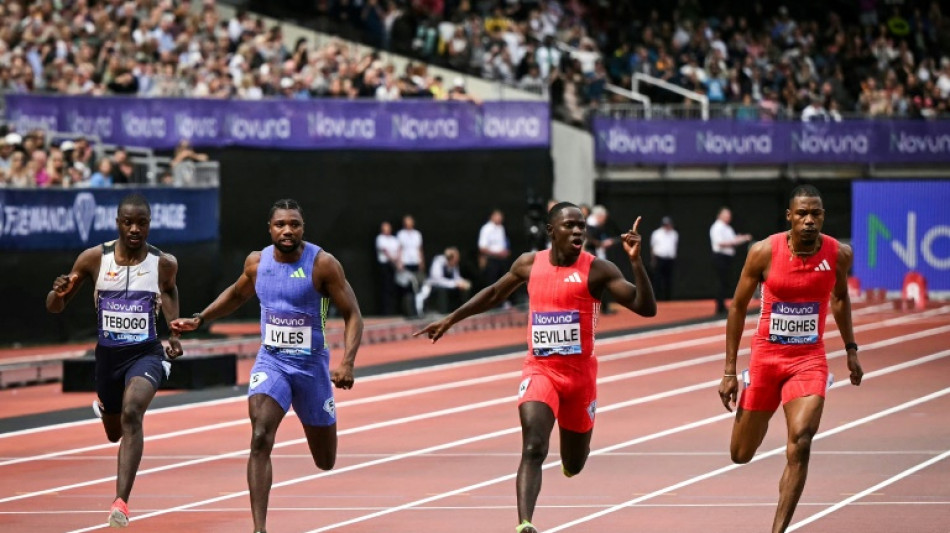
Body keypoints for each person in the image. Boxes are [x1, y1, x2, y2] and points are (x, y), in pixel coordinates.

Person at [414, 202, 656, 533]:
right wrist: (452, 318)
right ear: (550, 232)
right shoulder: (529, 264)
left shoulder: (598, 269)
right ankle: (524, 523)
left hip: (580, 378)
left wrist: (636, 262)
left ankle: (571, 463)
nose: (578, 231)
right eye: (570, 225)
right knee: (534, 446)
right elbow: (495, 292)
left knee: (574, 462)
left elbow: (646, 308)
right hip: (540, 371)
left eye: (582, 227)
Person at [170, 199, 363, 533]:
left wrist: (347, 362)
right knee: (260, 435)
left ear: (303, 228)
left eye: (294, 224)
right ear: (270, 228)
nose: (287, 230)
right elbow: (236, 293)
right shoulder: (257, 263)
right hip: (271, 362)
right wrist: (200, 319)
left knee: (325, 461)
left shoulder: (323, 264)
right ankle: (260, 529)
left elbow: (353, 314)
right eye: (280, 224)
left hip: (311, 368)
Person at [718, 185, 864, 533]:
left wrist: (851, 350)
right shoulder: (763, 252)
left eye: (816, 213)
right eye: (802, 214)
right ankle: (762, 409)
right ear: (789, 217)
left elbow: (840, 299)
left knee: (801, 441)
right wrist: (728, 372)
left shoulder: (838, 254)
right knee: (741, 453)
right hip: (766, 360)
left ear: (823, 216)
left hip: (808, 360)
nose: (809, 220)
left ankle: (778, 530)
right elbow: (738, 307)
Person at [45, 193, 183, 528]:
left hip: (145, 353)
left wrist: (174, 334)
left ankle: (120, 502)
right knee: (113, 432)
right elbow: (54, 307)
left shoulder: (164, 262)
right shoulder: (94, 258)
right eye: (128, 222)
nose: (135, 229)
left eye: (142, 222)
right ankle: (107, 408)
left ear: (150, 224)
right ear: (117, 222)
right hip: (108, 358)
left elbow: (168, 291)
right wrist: (57, 292)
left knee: (133, 412)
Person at [710, 207, 752, 314]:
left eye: (729, 215)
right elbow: (721, 243)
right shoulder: (717, 227)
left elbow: (733, 239)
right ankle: (720, 306)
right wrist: (737, 240)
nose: (728, 217)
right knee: (721, 281)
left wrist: (741, 238)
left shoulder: (727, 228)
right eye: (726, 215)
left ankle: (722, 304)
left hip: (727, 257)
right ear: (720, 215)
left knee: (725, 281)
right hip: (720, 256)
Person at [422, 246, 471, 314]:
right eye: (455, 259)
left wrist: (462, 282)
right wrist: (455, 284)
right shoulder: (438, 262)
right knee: (442, 291)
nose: (457, 261)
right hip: (434, 286)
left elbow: (456, 277)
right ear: (450, 258)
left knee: (465, 288)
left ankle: (463, 311)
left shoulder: (454, 264)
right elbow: (438, 280)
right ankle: (443, 313)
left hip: (449, 285)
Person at [375, 220, 401, 315]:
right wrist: (393, 260)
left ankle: (394, 310)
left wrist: (398, 262)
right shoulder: (380, 238)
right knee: (385, 288)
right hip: (385, 266)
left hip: (394, 266)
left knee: (393, 288)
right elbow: (385, 251)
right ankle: (385, 312)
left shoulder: (394, 239)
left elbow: (399, 250)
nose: (387, 230)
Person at [650, 216, 679, 301]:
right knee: (657, 279)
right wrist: (653, 259)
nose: (668, 226)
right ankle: (656, 297)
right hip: (659, 258)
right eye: (666, 224)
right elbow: (652, 247)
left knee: (668, 279)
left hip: (670, 259)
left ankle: (668, 298)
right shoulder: (656, 233)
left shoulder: (674, 234)